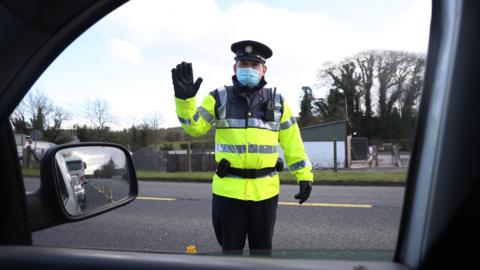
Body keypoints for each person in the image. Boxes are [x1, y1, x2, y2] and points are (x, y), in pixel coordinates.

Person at [171, 40, 313, 254]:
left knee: (262, 255)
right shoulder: (218, 98)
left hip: (265, 194)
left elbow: (293, 142)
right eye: (243, 63)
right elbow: (194, 127)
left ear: (264, 70)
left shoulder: (279, 102)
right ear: (235, 68)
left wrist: (304, 176)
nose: (249, 69)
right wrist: (184, 100)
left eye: (254, 65)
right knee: (230, 255)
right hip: (228, 194)